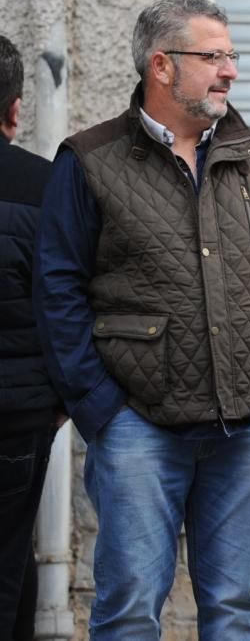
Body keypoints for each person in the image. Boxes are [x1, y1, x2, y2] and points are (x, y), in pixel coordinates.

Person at [32, 0, 250, 639]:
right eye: (213, 56)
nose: (231, 71)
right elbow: (57, 292)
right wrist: (100, 407)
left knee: (238, 608)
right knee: (130, 607)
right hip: (137, 425)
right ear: (161, 66)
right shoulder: (89, 159)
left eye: (232, 55)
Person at [0, 33, 64, 641]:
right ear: (15, 110)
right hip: (14, 424)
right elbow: (72, 310)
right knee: (8, 578)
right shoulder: (46, 187)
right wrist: (57, 406)